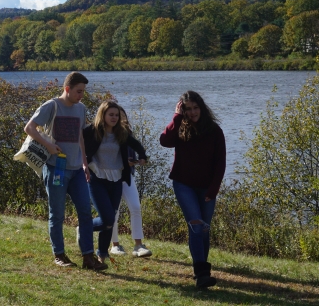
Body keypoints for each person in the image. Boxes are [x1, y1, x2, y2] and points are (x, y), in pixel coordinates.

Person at [24, 71, 106, 270]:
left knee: (85, 213)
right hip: (56, 169)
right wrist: (49, 146)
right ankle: (59, 254)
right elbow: (30, 128)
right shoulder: (51, 106)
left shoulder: (81, 108)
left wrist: (85, 163)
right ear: (67, 89)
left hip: (77, 169)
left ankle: (88, 257)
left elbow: (80, 136)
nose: (81, 95)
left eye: (83, 92)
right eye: (78, 91)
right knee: (57, 214)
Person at [160, 90, 226, 288]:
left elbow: (220, 163)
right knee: (197, 226)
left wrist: (213, 189)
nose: (192, 112)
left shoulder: (215, 130)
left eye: (195, 108)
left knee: (203, 230)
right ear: (182, 111)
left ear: (202, 108)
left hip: (207, 188)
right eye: (187, 109)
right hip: (183, 184)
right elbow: (165, 141)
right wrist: (176, 117)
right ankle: (201, 274)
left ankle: (202, 271)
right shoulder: (180, 128)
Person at [82, 101, 148, 267]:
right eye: (110, 114)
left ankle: (101, 257)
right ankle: (84, 227)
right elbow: (78, 142)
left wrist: (142, 156)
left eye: (116, 115)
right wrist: (82, 163)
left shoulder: (121, 133)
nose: (114, 117)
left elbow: (137, 145)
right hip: (97, 178)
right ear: (102, 114)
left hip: (117, 179)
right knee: (108, 218)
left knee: (110, 220)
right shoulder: (92, 131)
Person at [109, 107, 153, 258]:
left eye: (122, 116)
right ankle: (115, 245)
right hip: (110, 177)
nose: (120, 119)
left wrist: (137, 161)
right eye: (114, 116)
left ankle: (138, 245)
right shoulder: (106, 134)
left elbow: (133, 154)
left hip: (127, 177)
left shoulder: (127, 134)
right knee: (113, 212)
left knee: (135, 207)